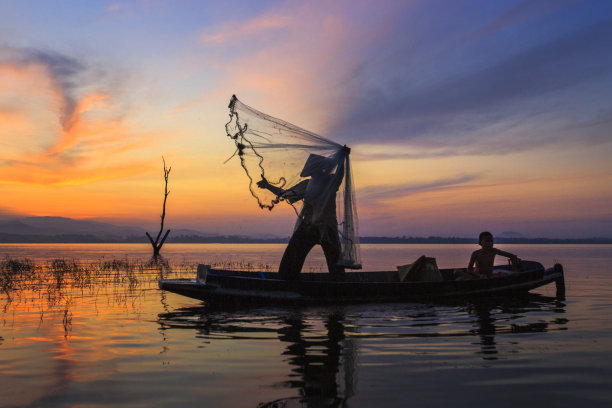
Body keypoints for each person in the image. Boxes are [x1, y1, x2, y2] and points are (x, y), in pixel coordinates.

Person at [257, 149, 348, 281]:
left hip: (326, 227)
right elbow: (285, 194)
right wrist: (268, 186)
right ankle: (287, 282)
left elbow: (340, 174)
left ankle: (340, 289)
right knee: (292, 257)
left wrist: (343, 158)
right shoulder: (307, 184)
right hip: (309, 226)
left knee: (335, 263)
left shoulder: (330, 181)